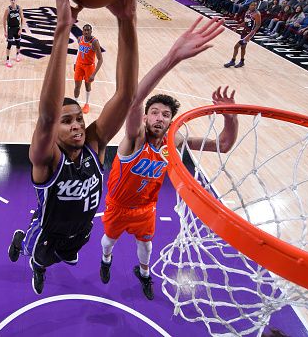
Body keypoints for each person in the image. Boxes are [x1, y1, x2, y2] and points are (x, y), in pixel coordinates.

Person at [7, 0, 140, 295]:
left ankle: (56, 255)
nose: (77, 125)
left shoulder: (94, 144)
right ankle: (28, 250)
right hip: (47, 233)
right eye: (68, 122)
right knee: (40, 260)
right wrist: (63, 28)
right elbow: (48, 117)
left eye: (79, 118)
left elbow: (126, 96)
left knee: (71, 255)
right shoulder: (46, 157)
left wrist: (128, 21)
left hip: (80, 232)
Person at [99, 22, 238, 302]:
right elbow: (135, 99)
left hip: (146, 209)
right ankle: (106, 259)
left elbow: (223, 145)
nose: (159, 118)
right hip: (118, 205)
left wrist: (230, 118)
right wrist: (172, 57)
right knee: (108, 241)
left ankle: (145, 273)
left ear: (170, 121)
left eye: (165, 114)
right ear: (146, 116)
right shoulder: (134, 138)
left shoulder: (173, 142)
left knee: (147, 248)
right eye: (154, 112)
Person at [73, 23, 103, 114]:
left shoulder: (94, 42)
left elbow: (100, 59)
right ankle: (75, 104)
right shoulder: (80, 38)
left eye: (88, 30)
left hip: (89, 67)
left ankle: (86, 104)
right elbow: (79, 50)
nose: (86, 32)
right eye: (85, 30)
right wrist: (75, 62)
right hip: (79, 65)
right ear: (82, 31)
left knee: (87, 86)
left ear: (91, 31)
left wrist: (94, 74)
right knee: (77, 86)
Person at [224, 1, 261, 68]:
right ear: (249, 5)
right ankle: (242, 62)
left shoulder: (257, 14)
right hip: (244, 31)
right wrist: (238, 27)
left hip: (250, 33)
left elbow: (258, 25)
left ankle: (233, 61)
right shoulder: (247, 12)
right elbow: (245, 22)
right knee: (243, 47)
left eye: (255, 5)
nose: (253, 6)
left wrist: (250, 35)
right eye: (252, 5)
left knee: (236, 46)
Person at [3, 0, 24, 68]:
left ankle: (17, 55)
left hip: (17, 28)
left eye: (14, 0)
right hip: (10, 29)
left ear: (16, 0)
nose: (13, 1)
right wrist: (5, 31)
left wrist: (21, 29)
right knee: (10, 44)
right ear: (10, 1)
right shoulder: (8, 9)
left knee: (18, 43)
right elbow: (4, 20)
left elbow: (22, 19)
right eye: (12, 0)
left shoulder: (19, 8)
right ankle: (7, 60)